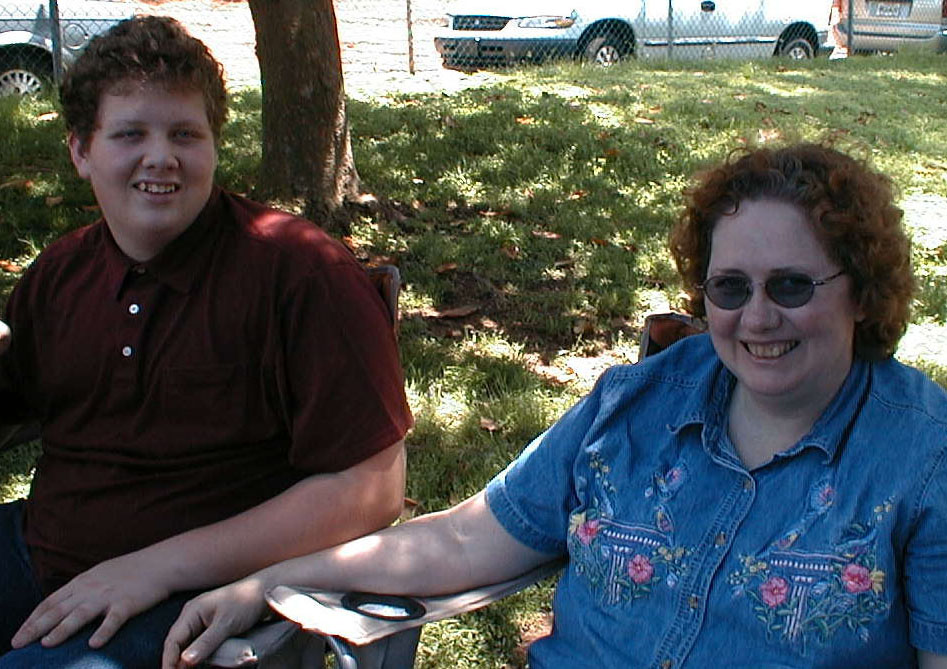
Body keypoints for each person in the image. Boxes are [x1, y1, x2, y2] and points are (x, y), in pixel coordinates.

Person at [163, 143, 947, 668]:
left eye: (791, 285)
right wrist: (267, 581)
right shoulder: (633, 405)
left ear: (861, 290)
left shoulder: (922, 456)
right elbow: (466, 539)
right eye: (729, 287)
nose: (756, 318)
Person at [0, 16, 413, 668]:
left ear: (214, 146)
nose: (160, 156)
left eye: (185, 134)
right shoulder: (61, 271)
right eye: (130, 133)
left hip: (195, 596)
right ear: (81, 150)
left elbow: (373, 486)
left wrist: (153, 568)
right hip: (39, 551)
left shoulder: (300, 273)